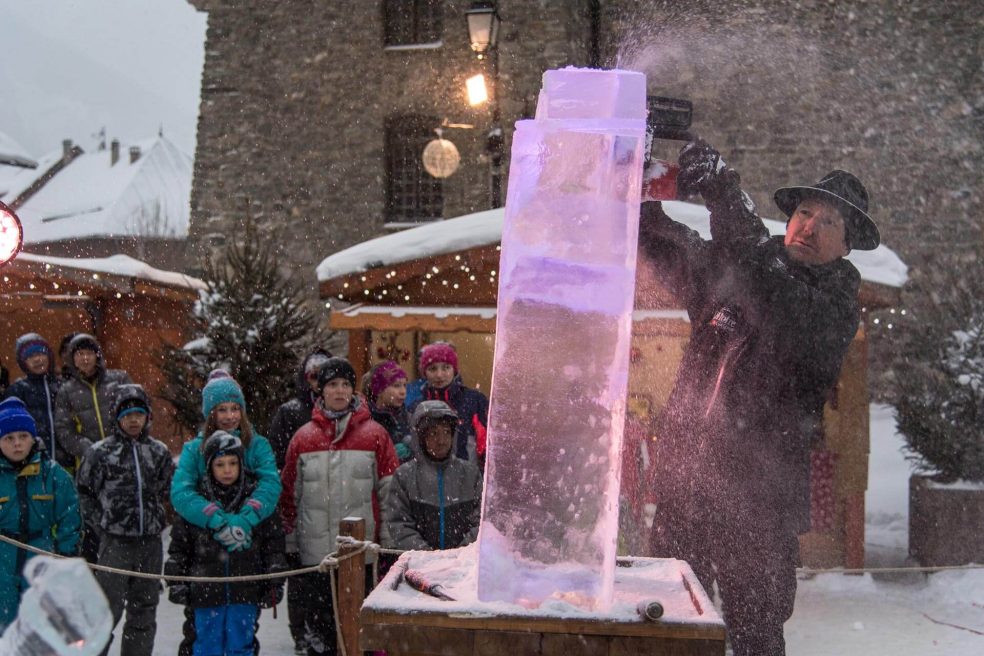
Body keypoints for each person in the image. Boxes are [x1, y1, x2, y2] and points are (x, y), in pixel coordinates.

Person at [642, 140, 879, 656]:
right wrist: (641, 194)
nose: (809, 227)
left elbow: (770, 290)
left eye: (829, 223)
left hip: (761, 509)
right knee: (670, 631)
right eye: (804, 212)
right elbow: (671, 249)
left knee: (756, 638)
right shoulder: (740, 270)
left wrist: (725, 194)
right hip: (689, 494)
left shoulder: (833, 305)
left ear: (847, 245)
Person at [280, 356, 399, 656]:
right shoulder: (303, 438)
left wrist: (386, 543)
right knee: (321, 634)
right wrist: (291, 543)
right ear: (321, 392)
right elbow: (290, 496)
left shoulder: (375, 435)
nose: (340, 391)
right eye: (332, 384)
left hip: (361, 552)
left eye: (346, 384)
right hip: (316, 554)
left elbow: (389, 493)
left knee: (361, 632)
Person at [170, 370, 281, 656]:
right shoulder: (195, 449)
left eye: (235, 408)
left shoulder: (257, 445)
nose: (230, 415)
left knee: (240, 638)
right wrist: (218, 521)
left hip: (246, 559)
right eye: (222, 409)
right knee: (202, 639)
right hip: (207, 559)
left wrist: (244, 520)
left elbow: (270, 484)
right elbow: (181, 493)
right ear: (210, 413)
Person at [76, 384, 174, 656]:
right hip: (115, 544)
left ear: (147, 417)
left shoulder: (159, 452)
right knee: (106, 610)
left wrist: (160, 517)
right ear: (116, 417)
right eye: (127, 414)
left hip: (150, 543)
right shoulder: (100, 452)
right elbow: (84, 492)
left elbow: (171, 489)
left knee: (144, 609)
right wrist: (101, 522)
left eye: (139, 414)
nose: (133, 420)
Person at [266, 348, 330, 655]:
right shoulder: (290, 412)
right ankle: (300, 636)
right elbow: (279, 461)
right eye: (313, 376)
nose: (318, 382)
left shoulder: (338, 410)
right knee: (300, 580)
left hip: (331, 506)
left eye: (323, 375)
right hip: (299, 506)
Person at [0, 397, 80, 632]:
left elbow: (69, 516)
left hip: (40, 555)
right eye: (9, 438)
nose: (17, 444)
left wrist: (66, 554)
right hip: (2, 559)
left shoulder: (53, 474)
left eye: (23, 437)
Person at [53, 333, 132, 563]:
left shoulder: (118, 380)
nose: (85, 359)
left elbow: (137, 410)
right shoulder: (67, 391)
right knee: (93, 517)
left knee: (124, 509)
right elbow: (64, 429)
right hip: (89, 465)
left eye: (89, 353)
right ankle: (98, 563)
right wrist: (85, 448)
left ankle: (128, 562)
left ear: (98, 356)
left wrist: (119, 442)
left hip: (121, 459)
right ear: (72, 359)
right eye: (79, 354)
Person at [383, 400, 482, 551]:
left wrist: (459, 554)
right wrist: (425, 555)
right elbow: (399, 523)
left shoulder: (470, 473)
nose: (441, 441)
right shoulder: (405, 475)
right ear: (420, 437)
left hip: (463, 566)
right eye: (433, 433)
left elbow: (481, 522)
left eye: (446, 432)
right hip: (418, 568)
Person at [410, 342, 488, 467]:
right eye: (432, 369)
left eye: (446, 367)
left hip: (466, 478)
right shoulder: (417, 407)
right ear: (424, 372)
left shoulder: (474, 401)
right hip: (427, 479)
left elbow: (487, 445)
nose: (439, 375)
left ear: (454, 370)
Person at [4, 334, 61, 466]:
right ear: (23, 363)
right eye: (30, 357)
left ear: (49, 357)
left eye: (40, 354)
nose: (36, 360)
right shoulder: (17, 390)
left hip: (65, 461)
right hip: (33, 461)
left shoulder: (62, 386)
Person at [364, 360, 413, 464]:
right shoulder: (366, 418)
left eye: (404, 385)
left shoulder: (409, 418)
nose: (403, 391)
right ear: (379, 390)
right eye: (396, 385)